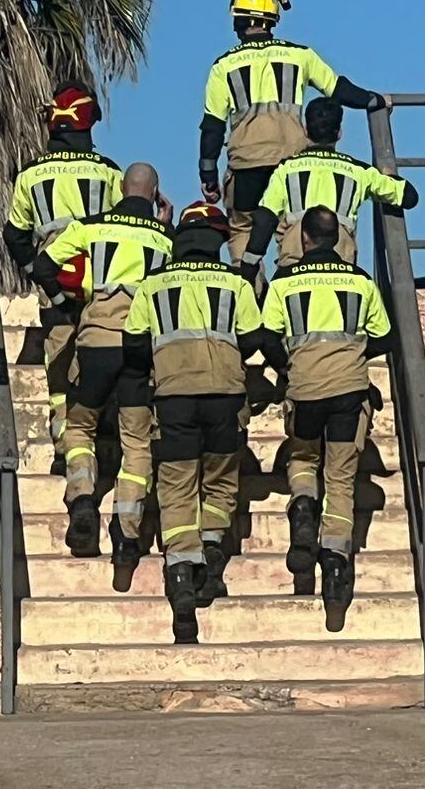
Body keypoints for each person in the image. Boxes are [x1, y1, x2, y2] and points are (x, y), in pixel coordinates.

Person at [123, 200, 266, 645]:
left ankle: (182, 574)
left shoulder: (153, 285)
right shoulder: (235, 284)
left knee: (177, 484)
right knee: (222, 482)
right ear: (217, 242)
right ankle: (213, 551)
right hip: (225, 397)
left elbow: (132, 346)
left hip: (174, 399)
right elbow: (255, 338)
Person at [33, 163, 173, 571]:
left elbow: (44, 266)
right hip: (139, 349)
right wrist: (166, 223)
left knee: (79, 427)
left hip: (94, 341)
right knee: (137, 441)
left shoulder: (90, 228)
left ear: (120, 190)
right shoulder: (164, 238)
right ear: (155, 194)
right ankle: (127, 530)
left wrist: (65, 304)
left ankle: (81, 498)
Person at [258, 205, 391, 613]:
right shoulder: (361, 281)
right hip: (349, 392)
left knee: (301, 456)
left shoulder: (283, 283)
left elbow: (265, 337)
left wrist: (289, 368)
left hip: (305, 391)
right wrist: (351, 355)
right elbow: (384, 338)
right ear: (337, 239)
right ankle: (335, 567)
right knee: (340, 478)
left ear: (304, 239)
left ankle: (301, 504)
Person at [199, 0, 386, 263]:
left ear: (238, 22)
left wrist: (209, 176)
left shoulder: (223, 66)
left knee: (243, 231)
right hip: (291, 164)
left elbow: (213, 127)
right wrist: (376, 101)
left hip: (246, 164)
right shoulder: (301, 56)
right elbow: (338, 90)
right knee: (298, 230)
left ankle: (250, 292)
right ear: (273, 19)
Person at [4, 85, 124, 451]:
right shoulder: (107, 172)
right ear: (86, 127)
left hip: (52, 279)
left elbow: (14, 234)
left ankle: (61, 434)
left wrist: (32, 271)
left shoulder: (30, 175)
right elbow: (123, 226)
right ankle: (100, 423)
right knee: (101, 345)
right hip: (100, 278)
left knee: (58, 350)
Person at [246, 97, 417, 270]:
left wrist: (248, 265)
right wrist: (390, 176)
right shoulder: (358, 171)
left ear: (305, 130)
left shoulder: (285, 170)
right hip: (341, 268)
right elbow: (409, 197)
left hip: (294, 268)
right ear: (339, 133)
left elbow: (265, 219)